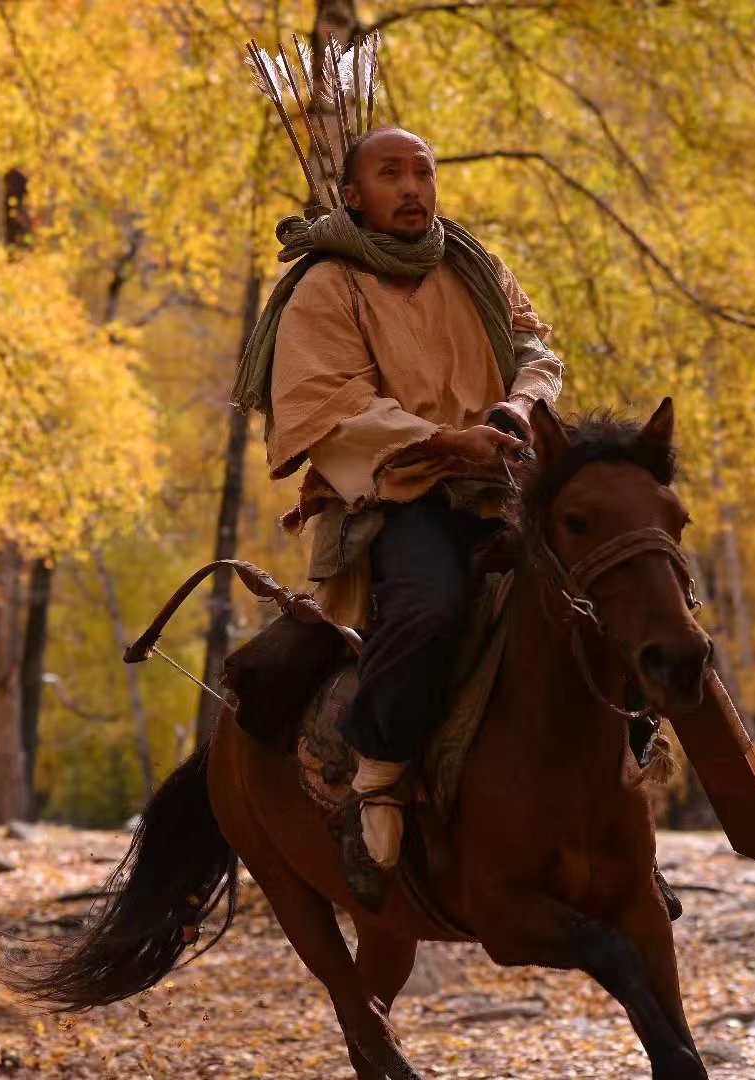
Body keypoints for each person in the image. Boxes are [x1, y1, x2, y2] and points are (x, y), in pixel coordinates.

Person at [246, 127, 563, 904]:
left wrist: (520, 408)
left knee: (619, 582)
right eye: (391, 174)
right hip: (397, 496)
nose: (414, 187)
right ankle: (378, 774)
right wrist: (446, 441)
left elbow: (537, 351)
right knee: (430, 605)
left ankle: (628, 770)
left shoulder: (475, 264)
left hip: (504, 482)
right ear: (354, 196)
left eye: (423, 171)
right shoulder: (326, 287)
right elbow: (330, 407)